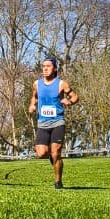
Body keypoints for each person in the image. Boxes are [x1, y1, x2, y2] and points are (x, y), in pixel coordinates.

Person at [27, 55, 78, 189]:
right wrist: (32, 105)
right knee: (41, 153)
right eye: (43, 66)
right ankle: (54, 158)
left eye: (48, 66)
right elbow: (34, 98)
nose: (45, 69)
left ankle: (58, 181)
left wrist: (69, 101)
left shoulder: (61, 84)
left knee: (55, 152)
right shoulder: (37, 84)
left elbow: (75, 97)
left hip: (57, 122)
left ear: (54, 69)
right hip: (42, 123)